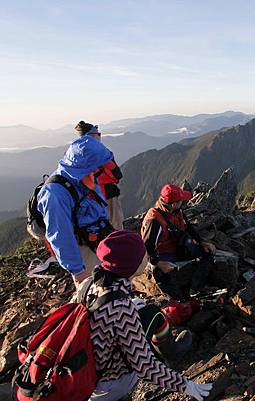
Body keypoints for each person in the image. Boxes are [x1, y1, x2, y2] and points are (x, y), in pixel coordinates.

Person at [78, 230, 212, 401]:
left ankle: (170, 350)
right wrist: (186, 386)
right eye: (142, 254)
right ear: (132, 265)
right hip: (106, 384)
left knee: (150, 312)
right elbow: (145, 367)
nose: (146, 256)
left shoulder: (91, 283)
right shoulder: (121, 309)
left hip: (88, 366)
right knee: (152, 322)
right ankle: (171, 353)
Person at [37, 128, 115, 283]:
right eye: (95, 169)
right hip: (81, 247)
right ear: (83, 168)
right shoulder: (55, 194)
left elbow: (98, 205)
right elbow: (60, 236)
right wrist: (78, 271)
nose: (98, 172)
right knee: (93, 290)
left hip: (95, 237)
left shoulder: (85, 177)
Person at [141, 184, 216, 301]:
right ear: (174, 203)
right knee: (159, 273)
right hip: (163, 253)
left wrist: (201, 243)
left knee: (208, 253)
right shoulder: (154, 220)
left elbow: (188, 228)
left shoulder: (176, 210)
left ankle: (196, 289)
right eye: (181, 201)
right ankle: (178, 300)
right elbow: (146, 248)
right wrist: (159, 263)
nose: (183, 202)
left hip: (177, 247)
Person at [75, 121, 125, 229]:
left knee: (97, 227)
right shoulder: (100, 152)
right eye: (98, 134)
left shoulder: (74, 153)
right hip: (107, 194)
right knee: (116, 224)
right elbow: (116, 174)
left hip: (87, 197)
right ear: (92, 135)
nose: (99, 136)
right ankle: (118, 243)